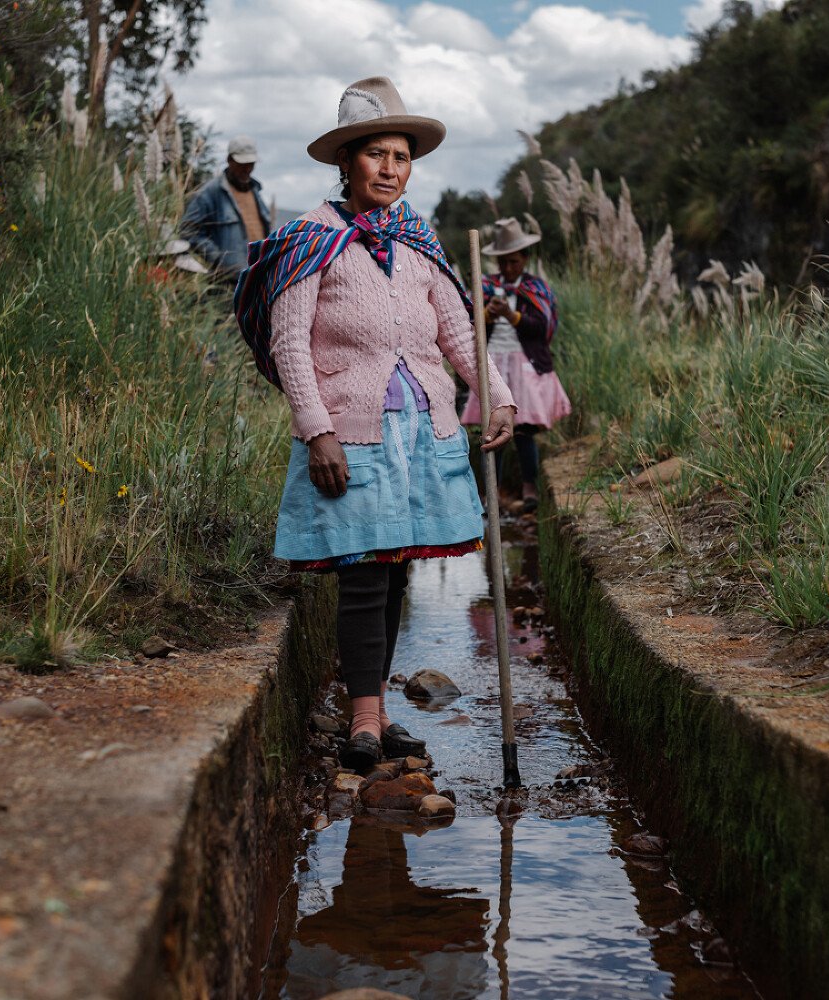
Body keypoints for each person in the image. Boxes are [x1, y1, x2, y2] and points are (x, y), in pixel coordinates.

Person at [234, 77, 517, 772]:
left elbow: (456, 331)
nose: (391, 169)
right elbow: (288, 342)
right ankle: (363, 717)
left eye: (401, 157)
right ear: (346, 163)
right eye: (377, 156)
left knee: (395, 577)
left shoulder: (419, 240)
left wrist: (498, 394)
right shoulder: (311, 240)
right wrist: (315, 428)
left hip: (423, 429)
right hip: (353, 432)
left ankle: (380, 711)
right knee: (363, 573)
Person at [460, 218, 571, 513]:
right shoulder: (484, 287)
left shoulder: (536, 288)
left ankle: (529, 489)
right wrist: (489, 315)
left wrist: (511, 314)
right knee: (491, 431)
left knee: (523, 431)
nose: (509, 268)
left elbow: (542, 327)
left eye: (514, 261)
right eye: (503, 262)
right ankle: (491, 496)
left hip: (525, 367)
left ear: (525, 259)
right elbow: (467, 327)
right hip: (493, 364)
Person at [181, 135, 271, 279]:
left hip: (259, 279)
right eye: (243, 163)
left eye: (252, 163)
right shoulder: (209, 193)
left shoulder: (256, 191)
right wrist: (219, 260)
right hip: (227, 284)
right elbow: (188, 231)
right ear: (229, 160)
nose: (248, 168)